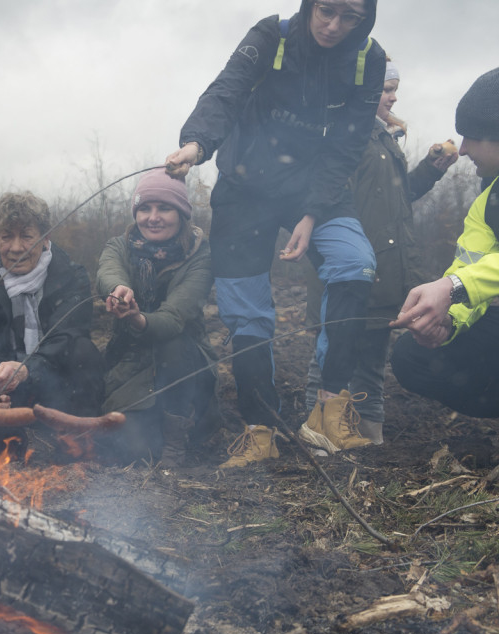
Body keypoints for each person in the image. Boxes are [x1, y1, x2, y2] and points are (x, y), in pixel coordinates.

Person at [164, 0, 386, 465]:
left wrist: (311, 214)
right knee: (246, 308)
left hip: (317, 186)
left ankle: (327, 414)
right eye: (326, 10)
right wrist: (197, 142)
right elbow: (227, 89)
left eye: (350, 17)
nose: (333, 26)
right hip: (245, 183)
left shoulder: (369, 59)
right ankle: (259, 429)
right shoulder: (272, 36)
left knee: (355, 261)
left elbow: (349, 143)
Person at [304, 60, 458, 445]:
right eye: (386, 89)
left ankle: (369, 435)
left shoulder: (384, 139)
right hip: (351, 269)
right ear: (364, 91)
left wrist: (431, 169)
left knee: (372, 357)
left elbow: (397, 197)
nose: (393, 96)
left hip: (387, 269)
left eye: (394, 89)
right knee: (331, 350)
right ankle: (316, 431)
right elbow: (324, 205)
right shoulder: (342, 140)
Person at [389, 68, 499, 419]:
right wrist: (447, 320)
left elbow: (461, 281)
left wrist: (453, 286)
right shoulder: (487, 200)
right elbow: (468, 268)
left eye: (472, 138)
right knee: (414, 357)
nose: (463, 149)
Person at [97, 171, 218, 466]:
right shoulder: (120, 245)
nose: (153, 217)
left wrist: (138, 319)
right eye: (144, 209)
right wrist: (118, 289)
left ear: (181, 213)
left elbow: (174, 318)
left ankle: (177, 440)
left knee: (173, 343)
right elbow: (107, 271)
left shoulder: (201, 256)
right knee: (126, 447)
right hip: (133, 360)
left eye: (164, 208)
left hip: (185, 364)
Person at [0, 192, 103, 422]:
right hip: (12, 388)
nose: (16, 248)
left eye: (27, 236)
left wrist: (25, 370)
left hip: (59, 383)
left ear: (45, 237)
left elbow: (66, 338)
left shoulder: (71, 276)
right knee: (0, 441)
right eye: (6, 237)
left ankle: (79, 433)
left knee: (83, 350)